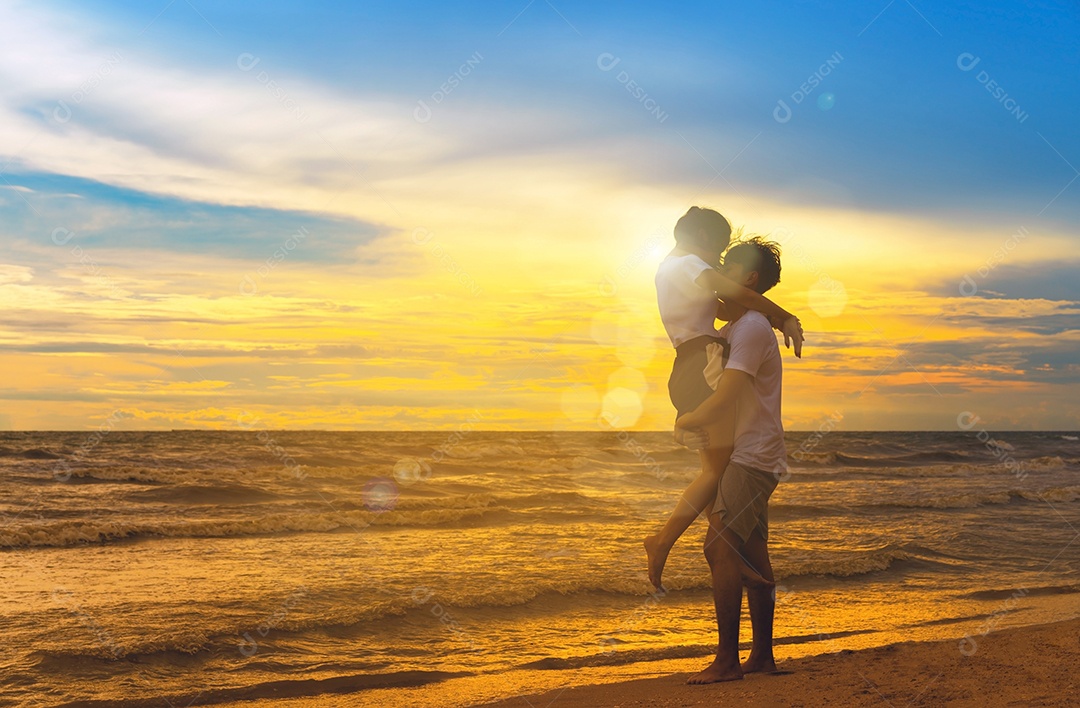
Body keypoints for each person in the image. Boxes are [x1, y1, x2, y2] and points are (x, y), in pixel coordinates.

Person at [644, 207, 801, 591]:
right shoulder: (687, 265)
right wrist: (786, 317)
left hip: (692, 363)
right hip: (702, 363)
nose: (720, 257)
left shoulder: (673, 270)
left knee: (719, 469)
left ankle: (727, 552)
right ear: (700, 235)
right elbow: (736, 293)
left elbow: (726, 302)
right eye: (720, 246)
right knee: (718, 471)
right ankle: (666, 542)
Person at [675, 237, 789, 683]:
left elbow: (727, 397)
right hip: (749, 454)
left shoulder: (752, 329)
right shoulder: (733, 330)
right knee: (752, 551)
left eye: (727, 267)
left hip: (750, 456)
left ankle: (727, 661)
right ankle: (762, 657)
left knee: (719, 549)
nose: (716, 276)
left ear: (749, 280)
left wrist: (687, 420)